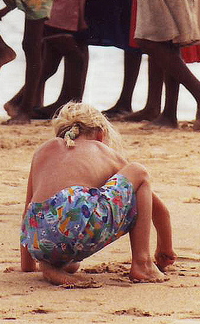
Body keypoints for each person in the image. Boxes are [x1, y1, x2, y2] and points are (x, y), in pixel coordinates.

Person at [20, 102, 174, 285]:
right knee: (138, 172)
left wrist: (27, 265)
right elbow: (160, 211)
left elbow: (27, 212)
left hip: (38, 238)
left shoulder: (42, 152)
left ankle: (49, 265)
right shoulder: (102, 150)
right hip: (75, 221)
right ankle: (143, 264)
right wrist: (166, 250)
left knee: (72, 263)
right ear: (101, 134)